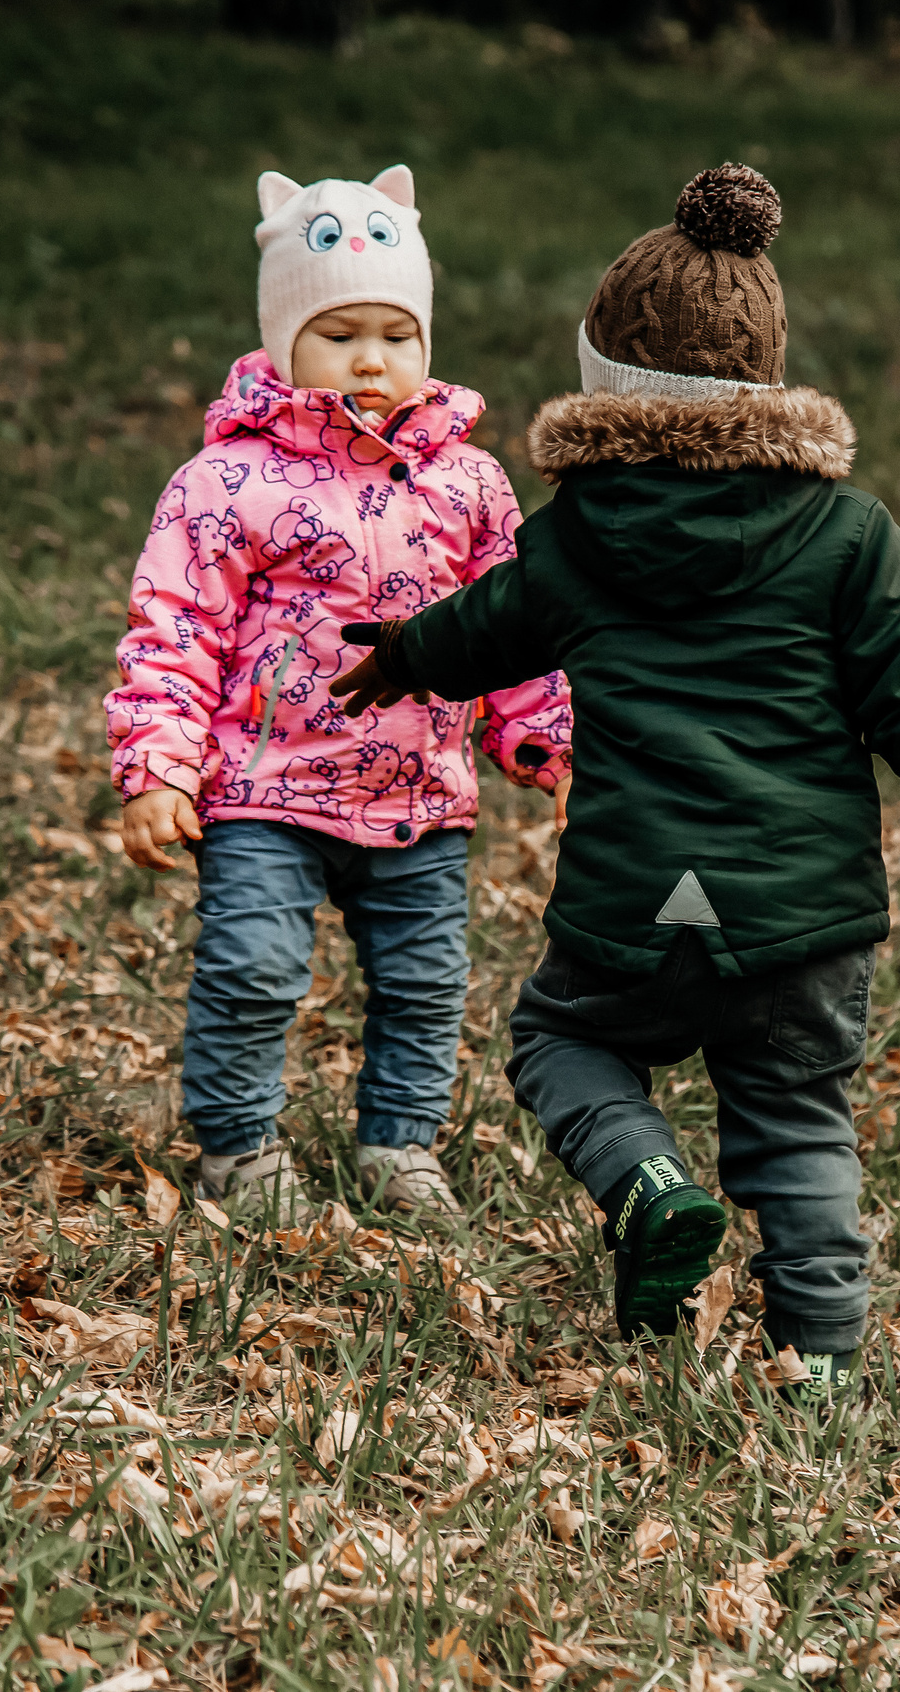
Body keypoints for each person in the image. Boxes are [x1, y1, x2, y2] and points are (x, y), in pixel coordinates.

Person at [330, 165, 900, 1400]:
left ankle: (647, 1182)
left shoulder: (576, 537)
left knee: (562, 1038)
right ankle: (821, 1356)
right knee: (793, 1116)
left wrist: (403, 656)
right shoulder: (847, 534)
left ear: (605, 383)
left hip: (631, 901)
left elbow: (486, 626)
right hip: (800, 913)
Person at [105, 165, 572, 1220]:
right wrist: (157, 766)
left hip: (419, 795)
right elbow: (175, 626)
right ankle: (236, 1147)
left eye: (397, 334)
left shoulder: (470, 483)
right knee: (253, 966)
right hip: (263, 788)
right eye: (339, 333)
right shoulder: (226, 481)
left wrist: (550, 745)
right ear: (283, 341)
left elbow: (515, 629)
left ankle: (398, 1145)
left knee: (423, 983)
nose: (371, 358)